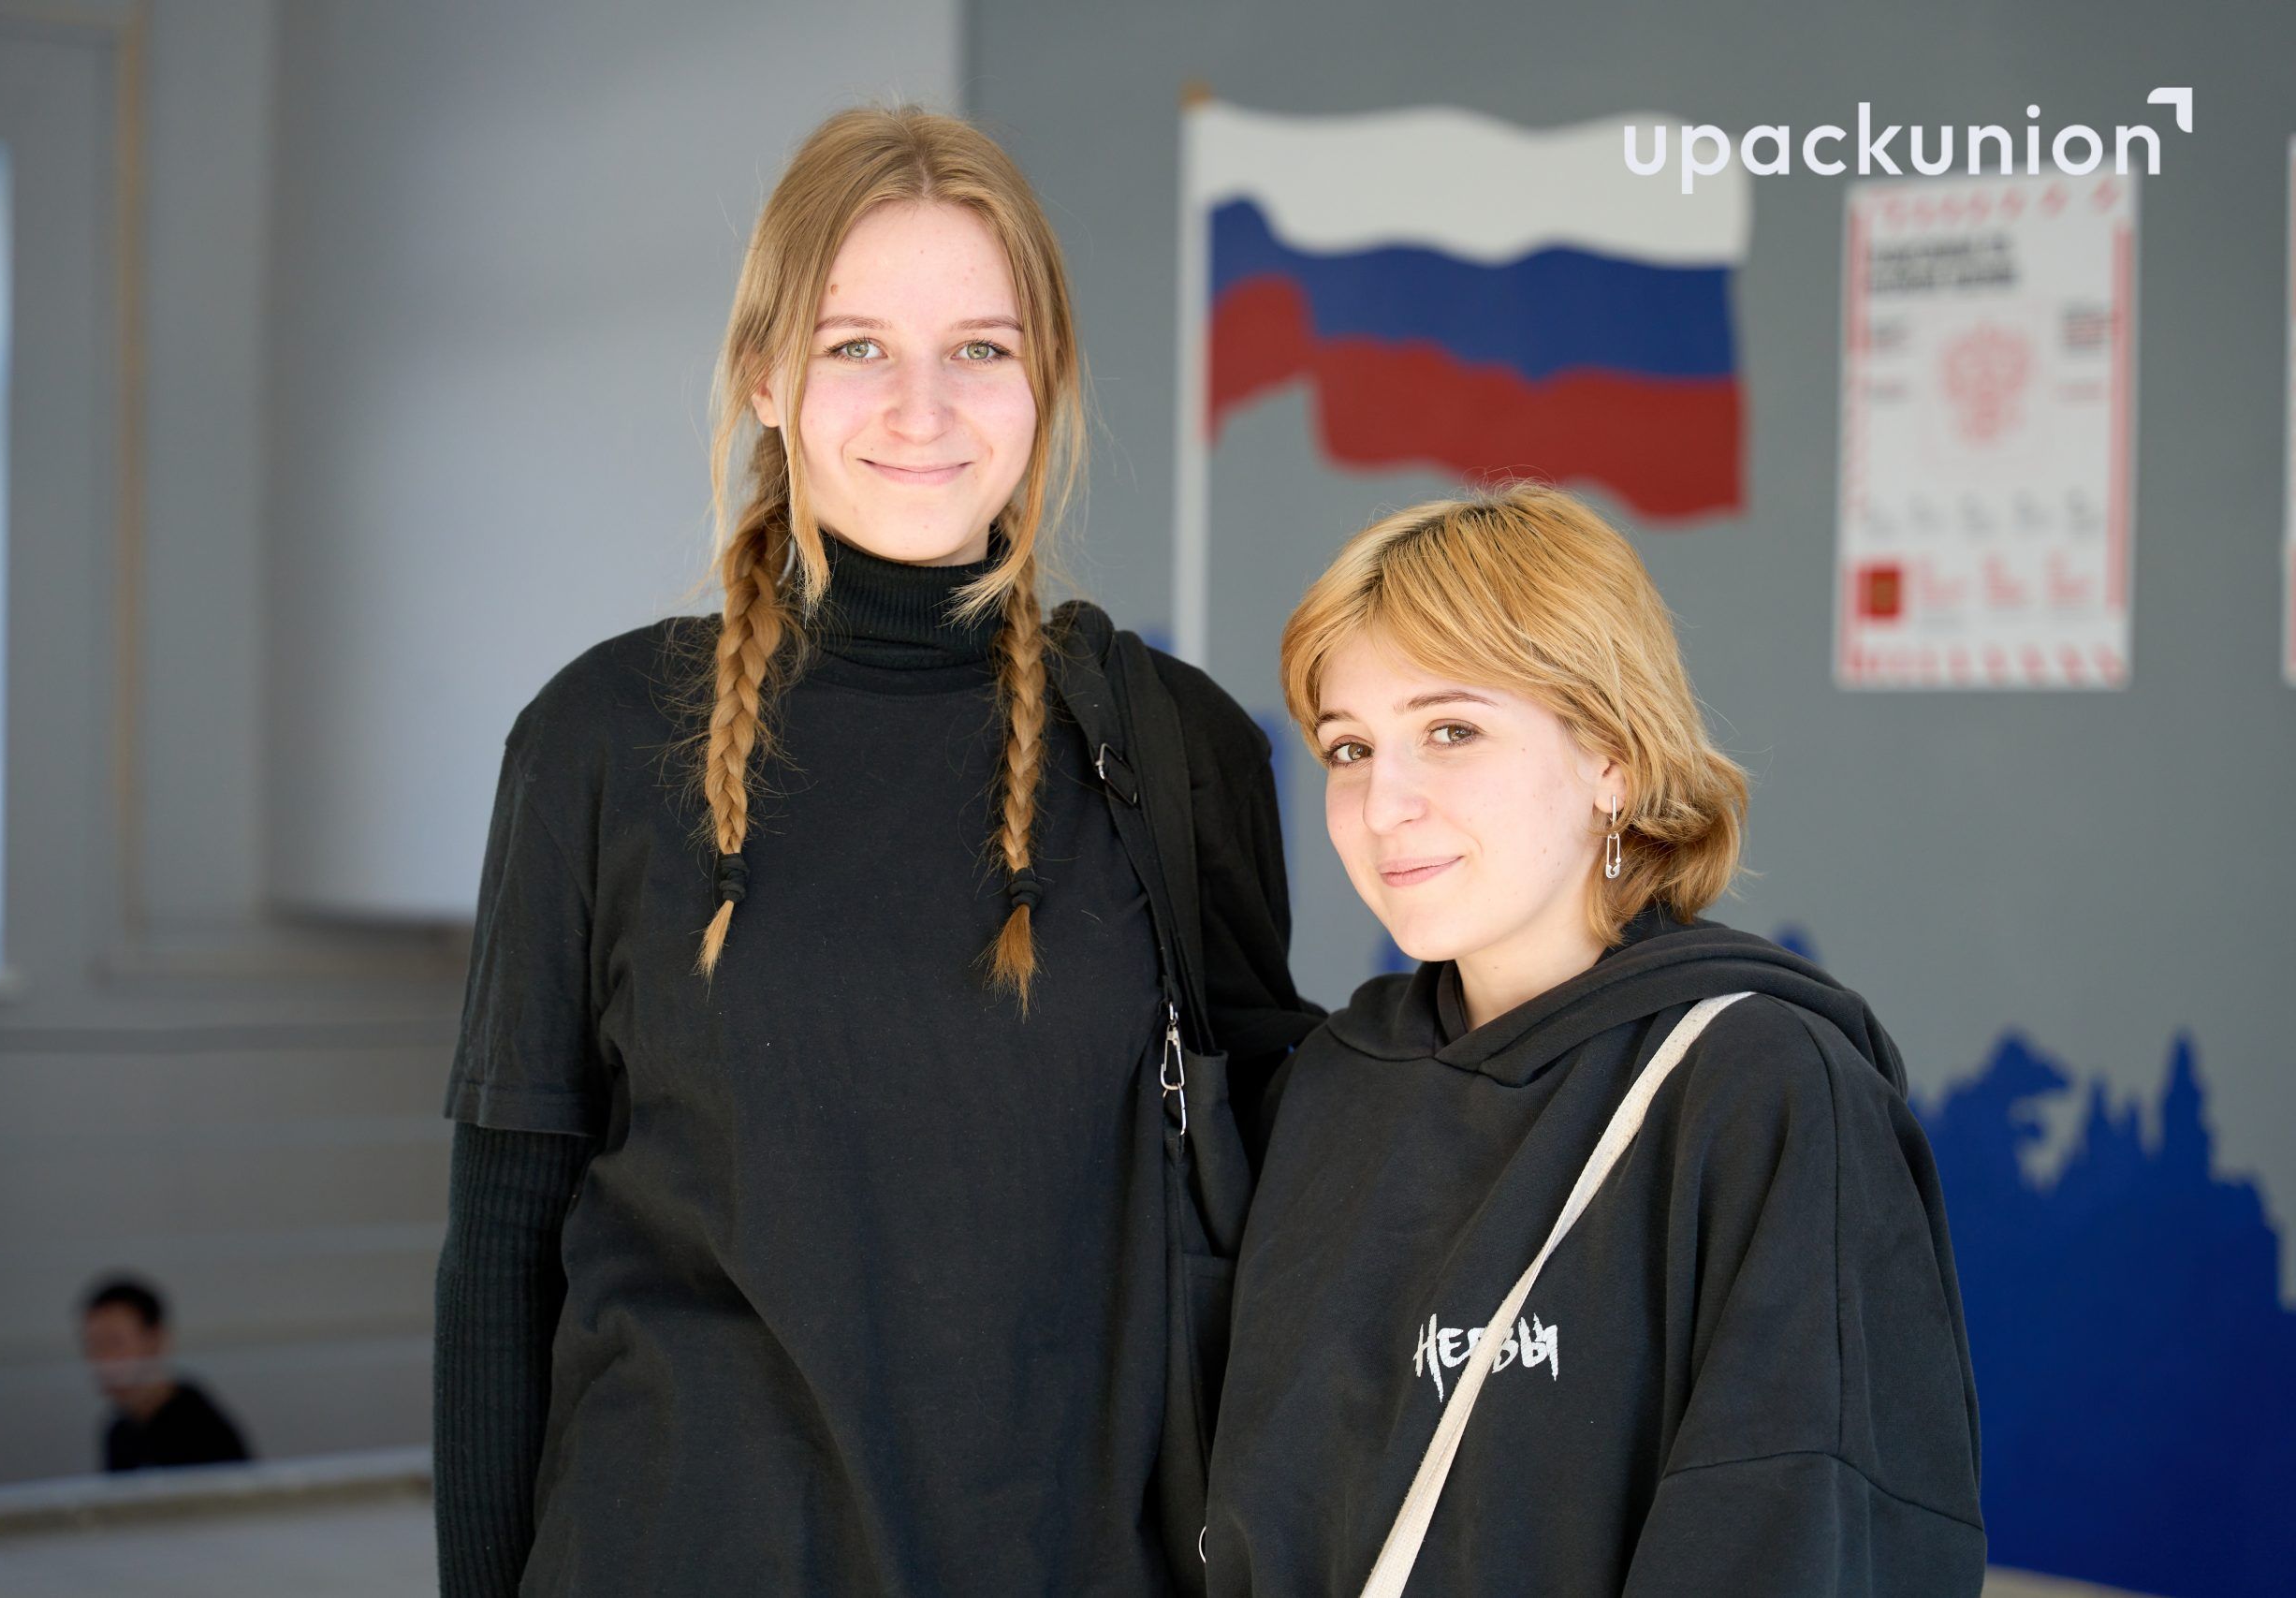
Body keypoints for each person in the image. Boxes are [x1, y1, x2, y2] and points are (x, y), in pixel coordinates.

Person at [432, 106, 1315, 1597]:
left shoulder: (1175, 749)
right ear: (765, 375)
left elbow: (1287, 1216)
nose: (923, 405)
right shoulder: (602, 737)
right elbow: (504, 1241)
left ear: (1046, 377)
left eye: (980, 347)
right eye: (857, 346)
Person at [1202, 486, 1984, 1595]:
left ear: (1610, 755)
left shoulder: (1761, 1090)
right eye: (1349, 748)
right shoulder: (1326, 1090)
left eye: (1450, 730)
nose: (1382, 806)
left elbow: (1794, 1536)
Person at [78, 1274, 251, 1473]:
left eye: (115, 1342)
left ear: (155, 1339)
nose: (103, 1358)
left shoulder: (198, 1428)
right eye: (94, 1344)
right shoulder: (119, 1434)